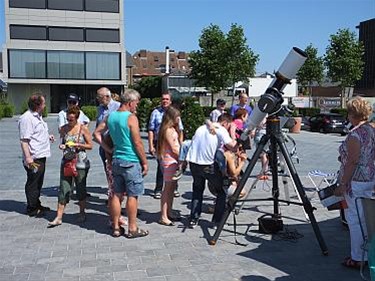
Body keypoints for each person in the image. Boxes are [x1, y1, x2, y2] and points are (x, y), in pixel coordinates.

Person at [94, 89, 149, 239]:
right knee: (132, 195)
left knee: (116, 195)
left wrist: (108, 149)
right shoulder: (131, 118)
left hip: (116, 159)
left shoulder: (111, 116)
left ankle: (116, 227)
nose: (136, 107)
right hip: (130, 160)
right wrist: (145, 162)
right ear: (130, 103)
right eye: (136, 104)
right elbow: (137, 143)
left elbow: (96, 134)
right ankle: (132, 228)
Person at [334, 96, 375, 269]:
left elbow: (353, 161)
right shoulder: (372, 130)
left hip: (356, 181)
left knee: (355, 220)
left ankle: (358, 257)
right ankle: (366, 253)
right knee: (367, 218)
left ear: (352, 113)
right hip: (370, 177)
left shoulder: (355, 134)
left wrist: (342, 184)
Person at [186, 113, 238, 228]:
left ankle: (193, 219)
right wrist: (235, 136)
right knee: (222, 190)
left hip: (194, 163)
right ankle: (217, 220)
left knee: (197, 190)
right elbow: (233, 147)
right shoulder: (221, 129)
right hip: (207, 165)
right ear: (225, 123)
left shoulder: (201, 128)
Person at [48, 106, 93, 226]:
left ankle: (82, 212)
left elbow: (90, 145)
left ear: (77, 118)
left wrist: (77, 144)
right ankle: (58, 217)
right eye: (68, 119)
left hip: (81, 163)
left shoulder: (83, 129)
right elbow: (62, 142)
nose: (69, 122)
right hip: (67, 161)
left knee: (80, 188)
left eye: (71, 119)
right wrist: (63, 146)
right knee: (64, 188)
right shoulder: (63, 129)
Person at [18, 94, 55, 217]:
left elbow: (36, 134)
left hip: (41, 155)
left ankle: (36, 203)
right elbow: (24, 140)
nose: (45, 105)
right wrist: (28, 158)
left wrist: (47, 136)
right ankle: (32, 208)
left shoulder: (37, 117)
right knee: (33, 182)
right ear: (38, 105)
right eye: (44, 103)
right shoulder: (27, 118)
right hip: (34, 157)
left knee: (39, 181)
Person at [148, 92, 183, 199]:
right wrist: (151, 146)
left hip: (173, 141)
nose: (165, 101)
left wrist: (181, 145)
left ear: (170, 101)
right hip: (159, 142)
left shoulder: (174, 113)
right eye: (163, 99)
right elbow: (151, 130)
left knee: (175, 165)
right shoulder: (155, 112)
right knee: (161, 166)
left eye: (167, 99)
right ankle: (158, 189)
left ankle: (174, 187)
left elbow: (180, 129)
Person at [156, 107, 181, 226]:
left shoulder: (172, 129)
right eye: (177, 117)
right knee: (167, 188)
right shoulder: (168, 130)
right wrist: (183, 155)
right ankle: (164, 215)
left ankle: (169, 211)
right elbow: (174, 148)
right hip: (169, 160)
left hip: (174, 160)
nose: (179, 119)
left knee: (171, 188)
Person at [95, 87, 120, 170]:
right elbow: (98, 126)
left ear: (107, 97)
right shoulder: (99, 109)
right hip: (103, 145)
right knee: (108, 171)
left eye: (99, 97)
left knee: (116, 172)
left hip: (115, 144)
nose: (98, 100)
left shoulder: (118, 107)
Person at [252, 116, 269, 180]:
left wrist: (253, 130)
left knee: (262, 155)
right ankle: (264, 171)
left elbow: (257, 122)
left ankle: (264, 172)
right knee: (264, 154)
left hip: (260, 133)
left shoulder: (262, 113)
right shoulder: (268, 113)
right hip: (266, 132)